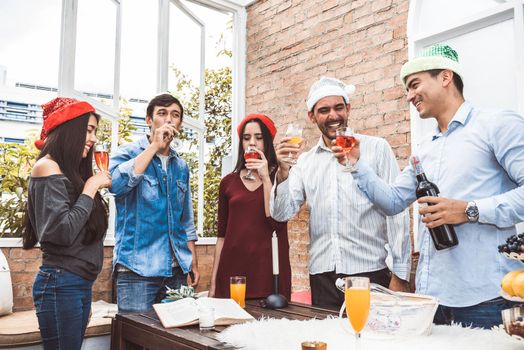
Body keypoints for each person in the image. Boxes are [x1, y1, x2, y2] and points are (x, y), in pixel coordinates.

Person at [342, 44, 524, 329]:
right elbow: (392, 201)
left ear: (445, 77)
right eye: (406, 89)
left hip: (486, 300)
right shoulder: (424, 149)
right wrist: (356, 164)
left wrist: (469, 210)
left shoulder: (496, 125)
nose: (409, 96)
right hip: (432, 300)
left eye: (414, 85)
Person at [270, 77, 411, 310]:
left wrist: (400, 274)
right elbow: (281, 213)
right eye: (323, 110)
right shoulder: (305, 162)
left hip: (370, 273)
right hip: (322, 277)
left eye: (338, 107)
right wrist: (283, 171)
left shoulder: (376, 148)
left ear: (348, 109)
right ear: (312, 116)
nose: (333, 116)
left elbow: (397, 213)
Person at [23, 97, 111, 350]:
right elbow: (61, 233)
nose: (93, 139)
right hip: (62, 283)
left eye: (94, 131)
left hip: (75, 285)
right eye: (89, 130)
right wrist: (92, 186)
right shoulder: (46, 167)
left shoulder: (68, 173)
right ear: (70, 129)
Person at [109, 93, 199, 313]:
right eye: (162, 113)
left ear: (180, 123)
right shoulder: (127, 153)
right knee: (135, 342)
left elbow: (185, 220)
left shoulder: (181, 166)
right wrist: (153, 148)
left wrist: (192, 263)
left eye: (175, 115)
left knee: (174, 342)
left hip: (176, 271)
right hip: (136, 271)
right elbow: (116, 186)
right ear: (149, 120)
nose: (169, 119)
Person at [209, 114, 291, 300]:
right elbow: (221, 237)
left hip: (269, 274)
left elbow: (275, 220)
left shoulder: (282, 176)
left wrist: (265, 177)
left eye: (259, 138)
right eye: (246, 138)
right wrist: (213, 283)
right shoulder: (228, 182)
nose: (252, 143)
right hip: (233, 274)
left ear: (268, 142)